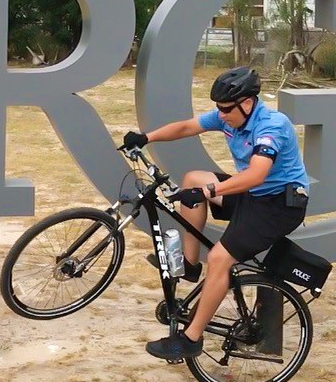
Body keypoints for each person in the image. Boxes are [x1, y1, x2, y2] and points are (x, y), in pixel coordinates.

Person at [121, 66, 310, 361]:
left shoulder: (272, 126)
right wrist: (146, 137)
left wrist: (210, 192)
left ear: (247, 103)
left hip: (279, 206)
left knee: (221, 259)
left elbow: (257, 175)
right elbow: (186, 127)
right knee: (193, 177)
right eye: (218, 109)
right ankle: (190, 263)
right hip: (253, 196)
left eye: (225, 109)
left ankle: (191, 338)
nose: (220, 115)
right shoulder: (229, 117)